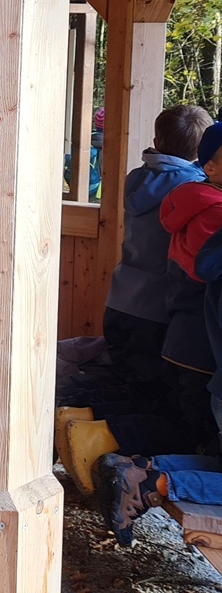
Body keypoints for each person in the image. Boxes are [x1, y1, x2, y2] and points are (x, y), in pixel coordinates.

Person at [58, 105, 213, 490]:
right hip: (159, 312)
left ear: (156, 140)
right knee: (151, 397)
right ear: (203, 154)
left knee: (124, 381)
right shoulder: (193, 191)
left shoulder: (137, 179)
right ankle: (90, 434)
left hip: (121, 298)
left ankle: (73, 420)